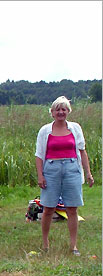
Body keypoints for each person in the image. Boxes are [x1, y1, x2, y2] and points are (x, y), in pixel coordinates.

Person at [35, 96, 95, 256]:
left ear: (68, 111)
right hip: (51, 170)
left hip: (71, 169)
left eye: (64, 109)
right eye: (58, 109)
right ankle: (45, 245)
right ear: (52, 112)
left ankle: (73, 246)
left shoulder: (75, 128)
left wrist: (88, 173)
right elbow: (39, 155)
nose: (61, 112)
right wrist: (40, 175)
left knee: (72, 209)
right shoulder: (45, 131)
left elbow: (82, 151)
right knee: (48, 208)